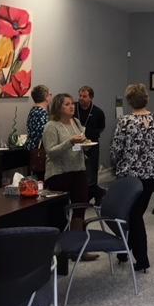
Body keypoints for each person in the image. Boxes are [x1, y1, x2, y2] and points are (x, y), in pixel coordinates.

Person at [110, 83, 154, 272]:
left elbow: (116, 150)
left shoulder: (125, 121)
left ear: (129, 101)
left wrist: (114, 166)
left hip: (129, 178)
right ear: (146, 99)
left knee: (132, 216)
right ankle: (124, 251)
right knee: (135, 214)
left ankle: (142, 259)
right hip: (151, 175)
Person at [43, 93, 98, 260]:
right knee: (59, 213)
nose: (72, 106)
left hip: (78, 170)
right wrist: (70, 142)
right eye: (67, 104)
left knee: (80, 208)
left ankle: (77, 249)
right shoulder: (51, 126)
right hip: (59, 173)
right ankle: (58, 251)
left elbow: (81, 144)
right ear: (58, 107)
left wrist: (85, 145)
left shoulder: (76, 122)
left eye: (72, 103)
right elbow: (51, 152)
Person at [74, 86, 106, 204]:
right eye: (80, 96)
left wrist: (88, 134)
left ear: (91, 97)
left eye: (84, 96)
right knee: (78, 171)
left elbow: (101, 128)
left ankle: (95, 193)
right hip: (76, 144)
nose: (81, 98)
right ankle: (94, 193)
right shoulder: (74, 108)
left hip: (91, 144)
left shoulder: (98, 112)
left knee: (91, 172)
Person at [25, 85, 52, 175]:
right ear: (46, 97)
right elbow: (45, 134)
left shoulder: (33, 111)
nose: (51, 96)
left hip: (32, 149)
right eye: (49, 94)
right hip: (40, 152)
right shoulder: (42, 113)